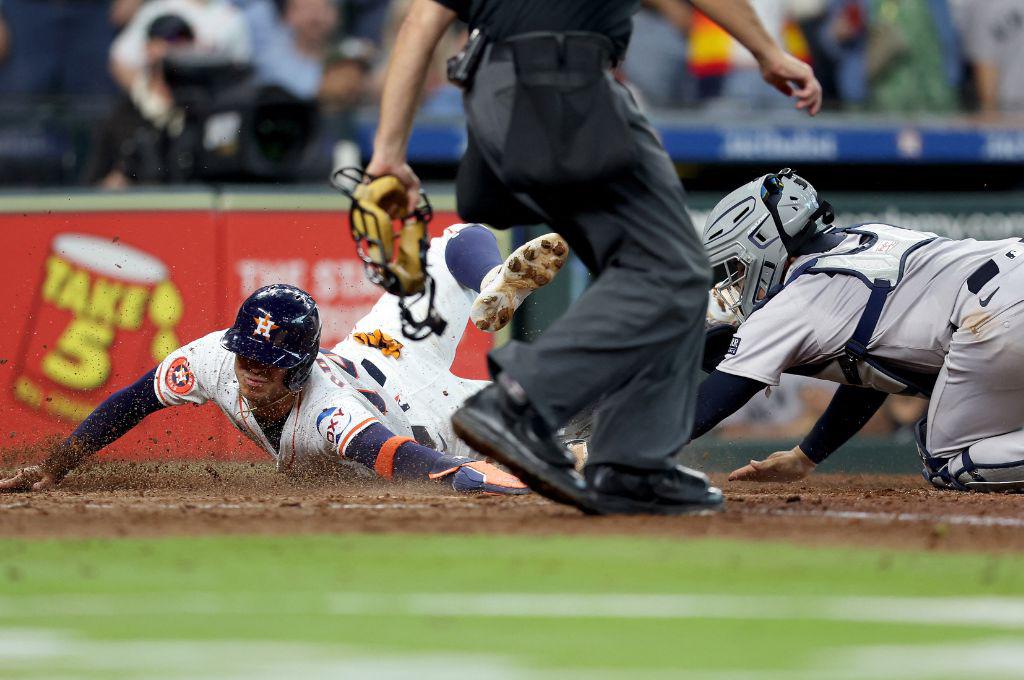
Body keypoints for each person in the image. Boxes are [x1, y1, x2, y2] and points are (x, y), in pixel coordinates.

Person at [365, 0, 821, 515]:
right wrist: (766, 50)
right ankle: (522, 403)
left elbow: (421, 21)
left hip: (492, 98)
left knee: (656, 275)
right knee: (672, 271)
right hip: (566, 86)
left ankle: (629, 464)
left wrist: (388, 152)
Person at [0, 224, 569, 495]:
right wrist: (57, 464)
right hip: (371, 349)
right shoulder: (218, 358)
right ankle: (574, 447)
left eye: (266, 361)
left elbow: (394, 452)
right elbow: (135, 398)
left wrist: (469, 477)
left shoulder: (328, 412)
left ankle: (493, 285)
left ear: (297, 368)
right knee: (441, 247)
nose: (250, 368)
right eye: (246, 353)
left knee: (455, 243)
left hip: (420, 411)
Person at [693, 169, 1024, 492]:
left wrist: (642, 445)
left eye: (737, 267)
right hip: (1009, 278)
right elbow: (872, 374)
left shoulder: (796, 298)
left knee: (945, 462)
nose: (735, 281)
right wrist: (806, 455)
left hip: (998, 310)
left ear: (762, 242)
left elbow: (711, 403)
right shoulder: (867, 236)